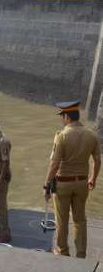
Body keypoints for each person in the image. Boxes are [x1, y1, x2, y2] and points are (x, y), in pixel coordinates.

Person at [43, 101, 101, 258]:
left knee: (62, 220)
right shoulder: (92, 135)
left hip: (63, 184)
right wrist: (93, 179)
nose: (62, 119)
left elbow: (54, 164)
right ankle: (81, 253)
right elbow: (97, 160)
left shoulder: (61, 136)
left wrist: (47, 184)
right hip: (82, 182)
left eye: (62, 116)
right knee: (80, 220)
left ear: (67, 116)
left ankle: (63, 251)